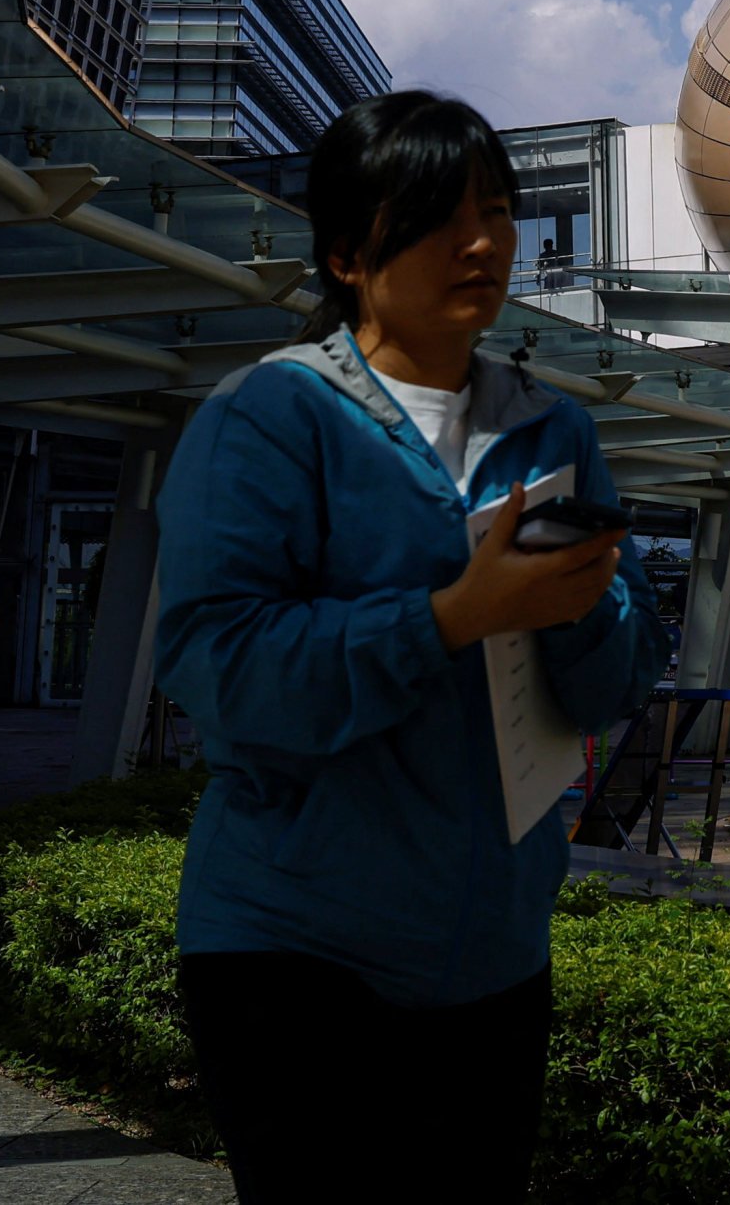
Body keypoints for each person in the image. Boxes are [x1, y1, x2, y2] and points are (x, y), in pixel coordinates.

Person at [157, 90, 666, 1201]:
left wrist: (588, 606)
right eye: (439, 216)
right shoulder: (270, 419)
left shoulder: (553, 427)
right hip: (294, 948)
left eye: (496, 210)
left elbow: (617, 684)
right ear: (345, 253)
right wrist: (448, 617)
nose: (481, 242)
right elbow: (216, 665)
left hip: (495, 949)